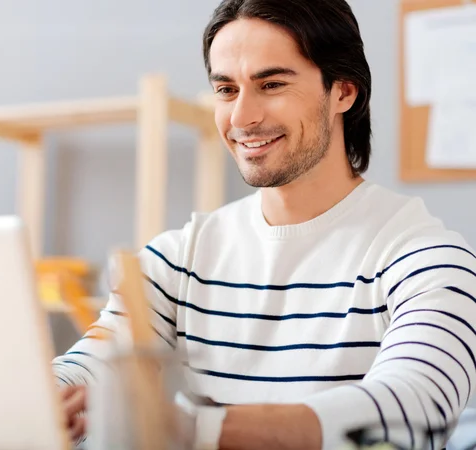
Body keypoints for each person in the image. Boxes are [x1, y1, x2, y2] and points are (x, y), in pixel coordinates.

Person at [53, 0, 476, 448]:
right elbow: (87, 366)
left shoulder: (431, 261)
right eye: (226, 90)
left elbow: (411, 408)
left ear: (344, 91)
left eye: (271, 84)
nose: (241, 117)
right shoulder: (174, 260)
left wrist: (187, 429)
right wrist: (43, 394)